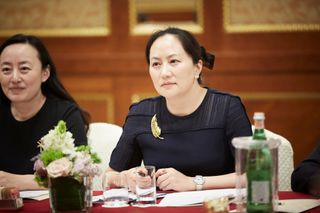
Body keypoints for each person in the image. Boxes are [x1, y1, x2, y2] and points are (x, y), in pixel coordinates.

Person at [103, 27, 252, 192]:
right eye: (156, 64)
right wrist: (125, 178)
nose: (164, 73)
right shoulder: (141, 113)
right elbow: (109, 176)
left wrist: (193, 183)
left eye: (173, 61)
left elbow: (254, 175)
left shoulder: (227, 108)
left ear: (197, 67)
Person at [0, 34, 90, 190]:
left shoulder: (65, 114)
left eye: (24, 69)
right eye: (6, 69)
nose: (14, 78)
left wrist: (17, 182)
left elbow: (79, 177)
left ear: (45, 73)